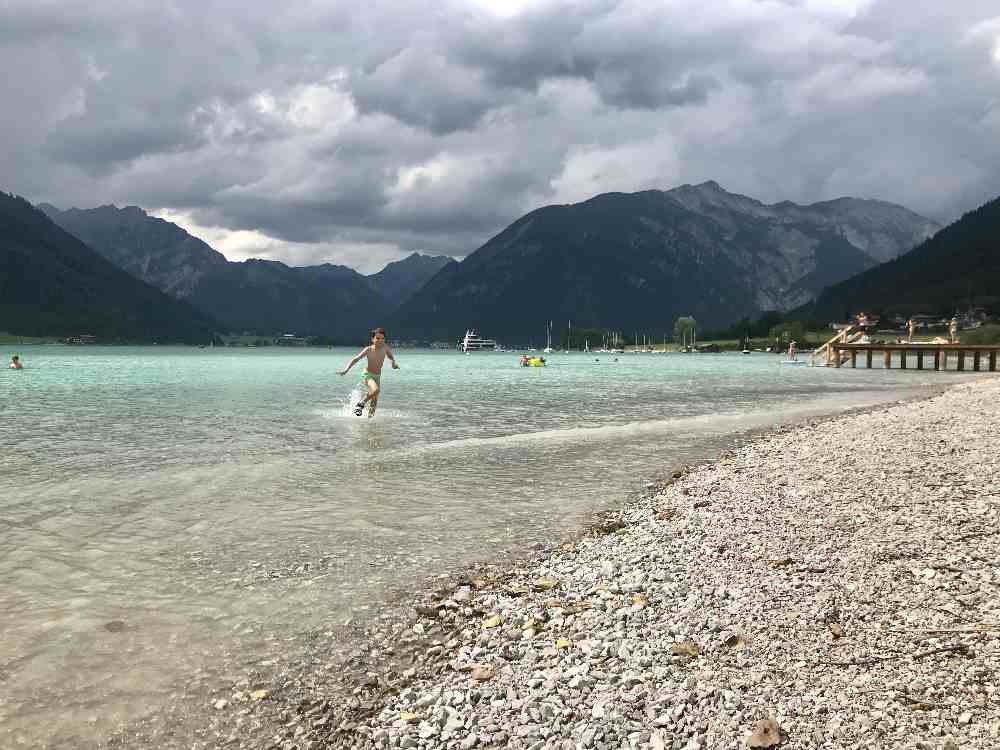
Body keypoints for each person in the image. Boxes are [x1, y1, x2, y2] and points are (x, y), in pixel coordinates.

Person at [339, 327, 399, 417]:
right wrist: (346, 370)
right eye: (377, 338)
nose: (380, 340)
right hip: (367, 375)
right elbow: (356, 359)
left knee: (374, 402)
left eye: (382, 338)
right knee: (376, 390)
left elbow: (390, 357)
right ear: (372, 339)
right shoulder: (369, 349)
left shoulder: (385, 348)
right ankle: (360, 404)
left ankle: (370, 424)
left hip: (377, 376)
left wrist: (393, 364)